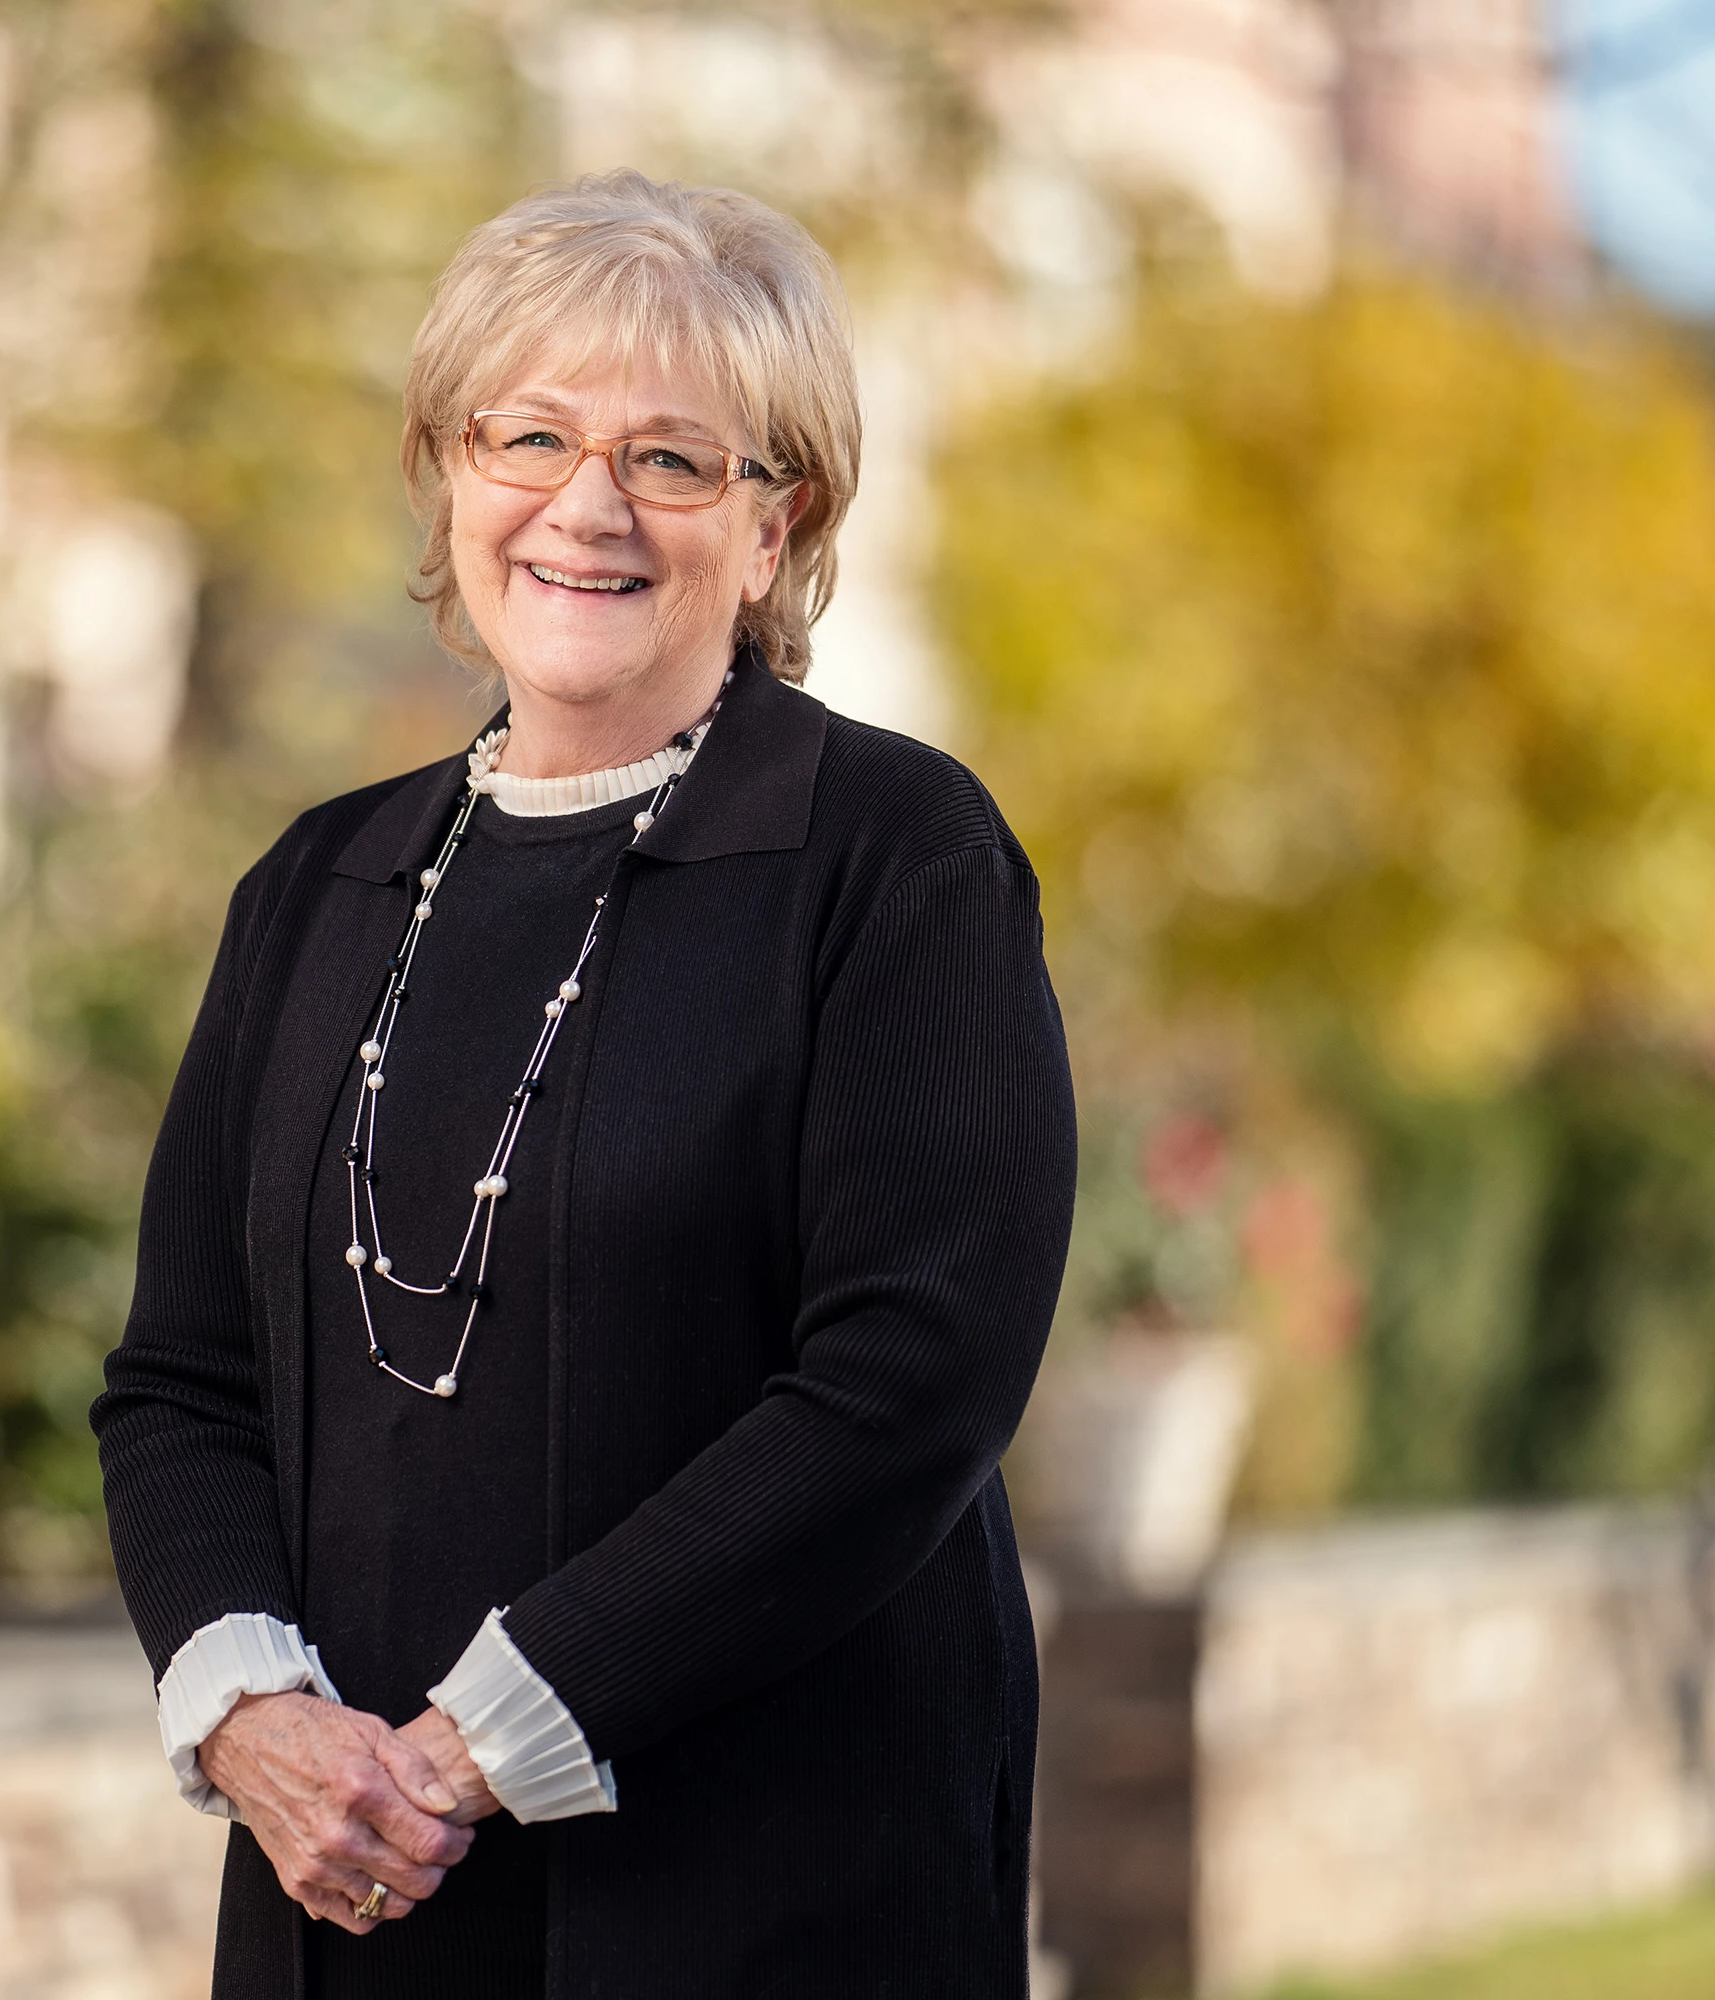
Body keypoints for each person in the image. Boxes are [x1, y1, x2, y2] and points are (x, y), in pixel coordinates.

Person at [91, 169, 1077, 1998]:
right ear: (451, 478)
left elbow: (910, 1379)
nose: (583, 507)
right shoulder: (317, 883)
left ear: (777, 526)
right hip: (358, 1894)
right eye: (525, 436)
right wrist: (255, 1722)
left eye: (673, 461)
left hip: (772, 1901)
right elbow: (179, 1381)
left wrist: (474, 1745)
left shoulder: (893, 857)